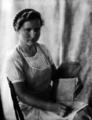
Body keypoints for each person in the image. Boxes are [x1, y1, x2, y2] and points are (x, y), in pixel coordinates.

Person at [5, 8, 81, 120]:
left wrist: (70, 72)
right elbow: (22, 95)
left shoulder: (43, 49)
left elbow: (55, 76)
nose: (33, 34)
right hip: (32, 108)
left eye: (37, 29)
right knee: (78, 117)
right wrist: (51, 107)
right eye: (28, 30)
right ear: (17, 29)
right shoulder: (14, 58)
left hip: (50, 99)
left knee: (84, 111)